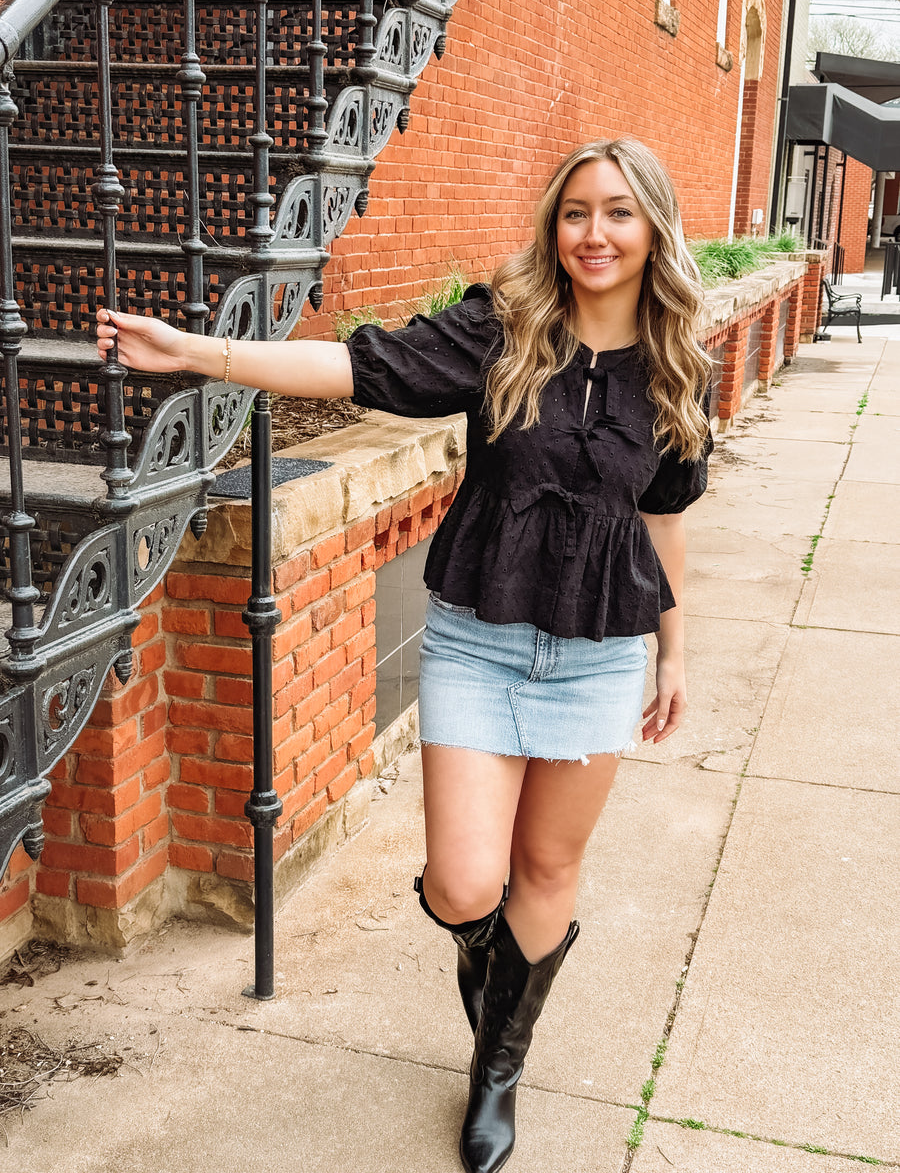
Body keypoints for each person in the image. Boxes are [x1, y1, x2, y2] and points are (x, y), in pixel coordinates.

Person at [97, 136, 712, 1173]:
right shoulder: (503, 331)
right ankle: (497, 960)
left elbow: (662, 518)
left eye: (616, 212)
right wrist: (205, 353)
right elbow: (358, 365)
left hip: (600, 655)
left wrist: (675, 652)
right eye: (575, 212)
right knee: (470, 885)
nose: (593, 233)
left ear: (652, 225)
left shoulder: (674, 368)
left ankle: (498, 1068)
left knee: (549, 867)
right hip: (481, 637)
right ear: (552, 228)